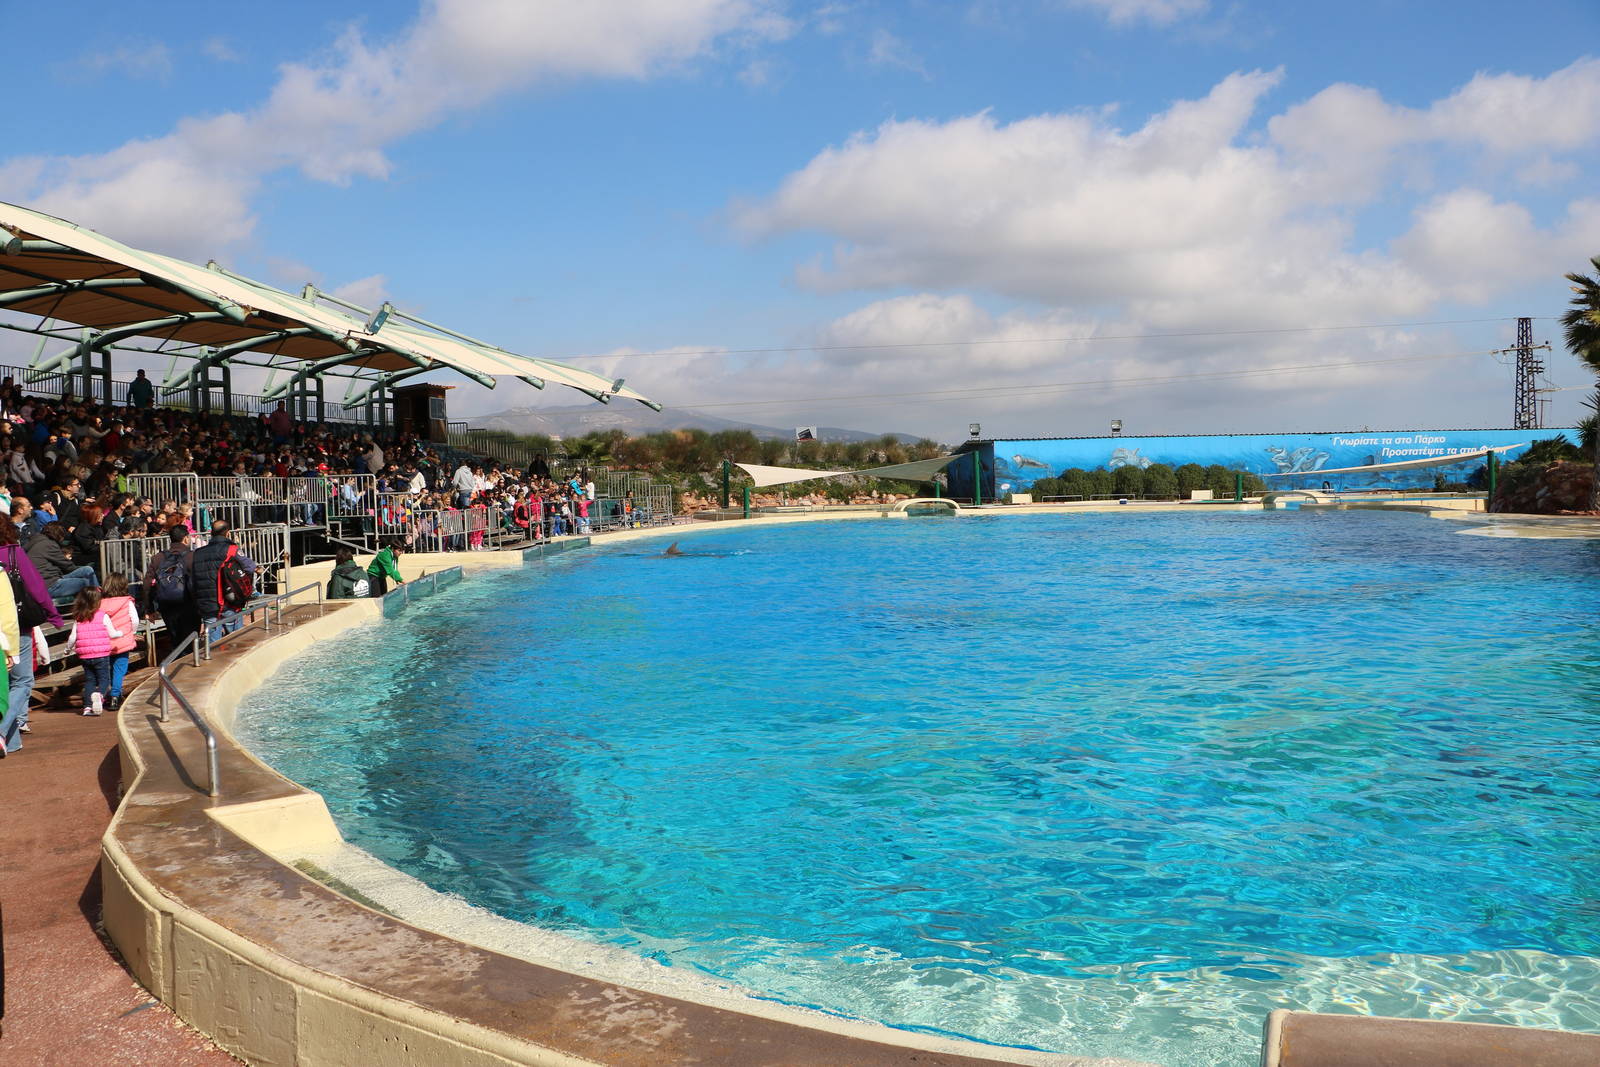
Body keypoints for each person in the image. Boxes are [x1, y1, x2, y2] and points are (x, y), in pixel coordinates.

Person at [190, 520, 256, 643]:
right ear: (228, 533)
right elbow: (250, 567)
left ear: (211, 533)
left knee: (213, 645)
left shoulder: (197, 553)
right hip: (228, 601)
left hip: (207, 603)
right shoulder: (231, 549)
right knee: (236, 641)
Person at [65, 587, 122, 716]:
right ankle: (100, 695)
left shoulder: (79, 617)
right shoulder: (102, 615)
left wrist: (67, 650)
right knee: (104, 680)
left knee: (90, 680)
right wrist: (122, 633)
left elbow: (72, 637)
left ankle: (87, 707)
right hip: (101, 654)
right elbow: (112, 634)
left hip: (85, 656)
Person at [144, 526, 197, 652]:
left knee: (175, 640)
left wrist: (149, 609)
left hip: (167, 605)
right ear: (186, 539)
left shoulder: (158, 558)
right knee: (191, 640)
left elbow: (147, 584)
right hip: (189, 604)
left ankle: (176, 663)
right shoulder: (192, 556)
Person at [99, 573, 140, 712]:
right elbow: (134, 620)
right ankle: (115, 696)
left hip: (104, 641)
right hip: (122, 640)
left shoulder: (99, 603)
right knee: (119, 670)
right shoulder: (127, 602)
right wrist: (132, 632)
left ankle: (106, 695)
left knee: (107, 669)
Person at [27, 522, 97, 601]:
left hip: (48, 580)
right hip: (49, 585)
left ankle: (94, 601)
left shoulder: (36, 542)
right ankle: (97, 603)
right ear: (58, 535)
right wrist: (77, 570)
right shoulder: (48, 544)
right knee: (87, 582)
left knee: (87, 570)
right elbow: (66, 565)